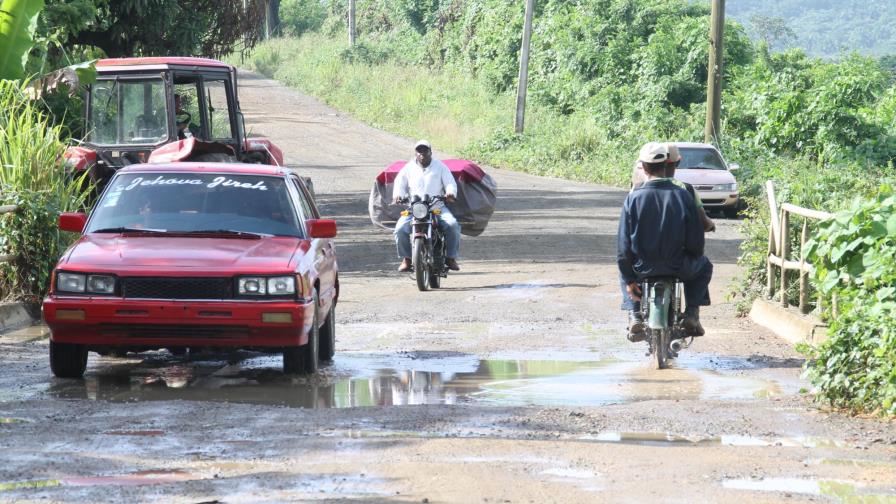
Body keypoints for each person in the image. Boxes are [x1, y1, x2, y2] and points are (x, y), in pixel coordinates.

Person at [617, 142, 713, 341]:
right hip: (679, 266)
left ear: (643, 168)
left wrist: (629, 279)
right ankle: (692, 313)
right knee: (704, 266)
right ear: (669, 165)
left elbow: (623, 247)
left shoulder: (633, 198)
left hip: (642, 268)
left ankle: (634, 314)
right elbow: (696, 240)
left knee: (623, 270)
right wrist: (694, 255)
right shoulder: (684, 195)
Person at [392, 140, 461, 272]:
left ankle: (451, 258)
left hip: (437, 208)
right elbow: (399, 183)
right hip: (414, 208)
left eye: (425, 151)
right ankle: (406, 259)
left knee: (452, 225)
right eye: (419, 151)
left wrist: (450, 193)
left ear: (430, 152)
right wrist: (398, 195)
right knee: (400, 229)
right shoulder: (408, 167)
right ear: (415, 153)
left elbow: (450, 183)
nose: (422, 154)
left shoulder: (440, 167)